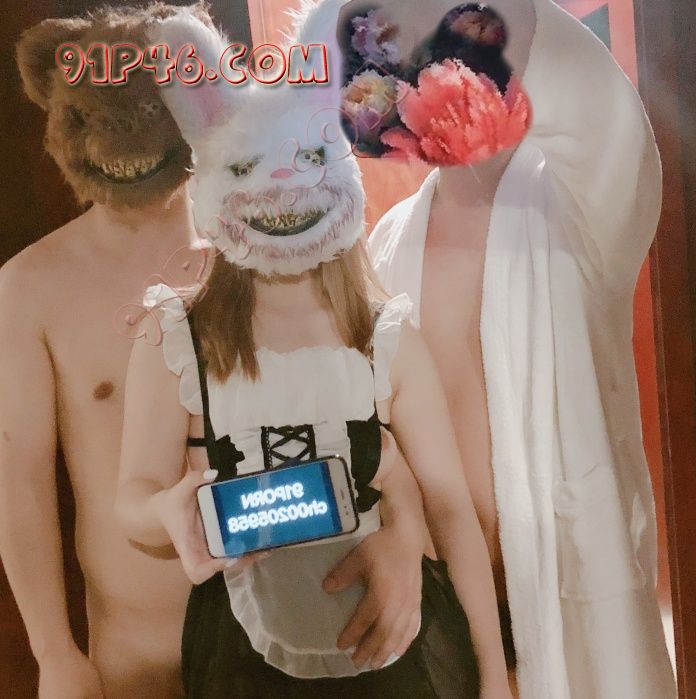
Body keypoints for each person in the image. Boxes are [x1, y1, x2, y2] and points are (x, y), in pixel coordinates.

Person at [0, 3, 426, 697]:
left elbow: (376, 411)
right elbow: (16, 480)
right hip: (140, 651)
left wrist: (405, 535)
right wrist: (54, 652)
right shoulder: (30, 287)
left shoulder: (281, 238)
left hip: (302, 625)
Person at [116, 3, 512, 697]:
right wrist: (171, 509)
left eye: (307, 159)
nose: (282, 186)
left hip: (399, 653)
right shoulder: (173, 339)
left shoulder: (388, 338)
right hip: (243, 653)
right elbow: (134, 498)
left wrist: (493, 678)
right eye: (250, 165)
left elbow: (451, 512)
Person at [356, 0, 678, 697]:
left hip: (567, 592)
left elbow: (602, 108)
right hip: (439, 603)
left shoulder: (580, 211)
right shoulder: (387, 242)